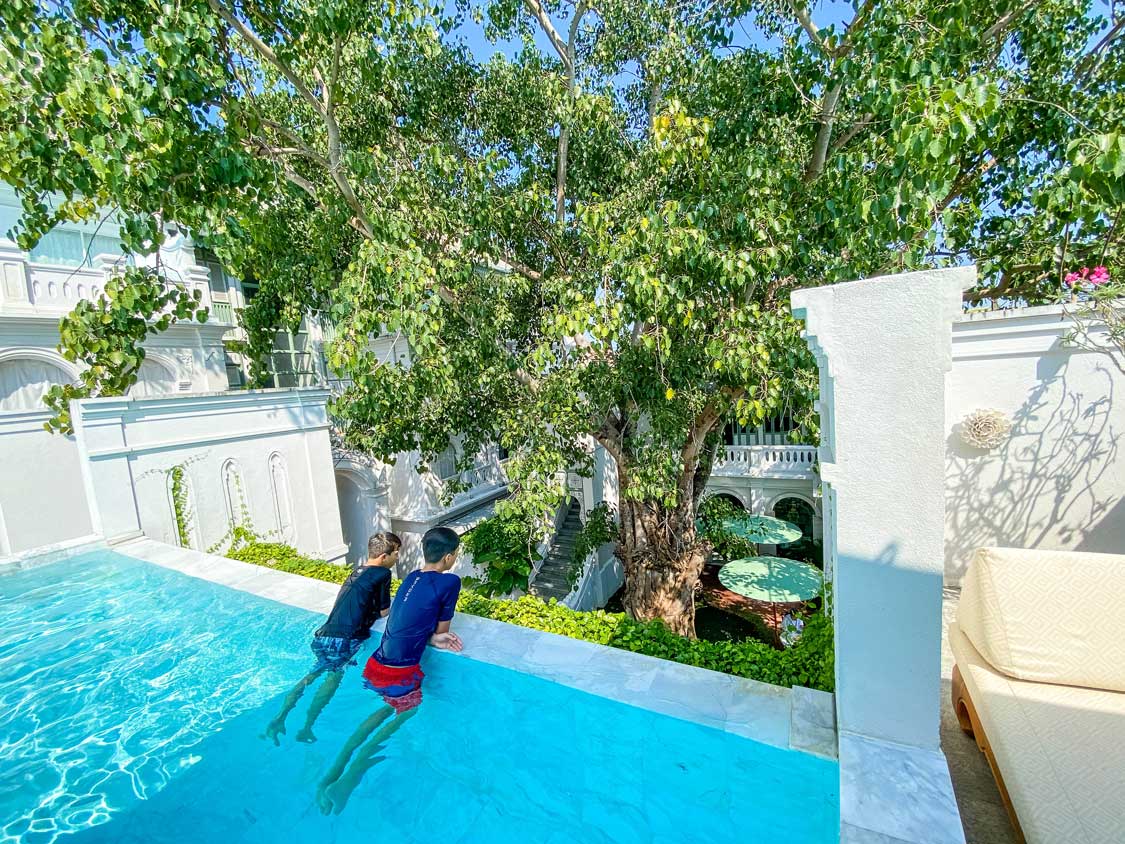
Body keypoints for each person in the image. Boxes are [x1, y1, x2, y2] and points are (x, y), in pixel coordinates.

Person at [315, 527, 464, 815]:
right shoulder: (450, 582)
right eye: (455, 555)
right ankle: (350, 777)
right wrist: (437, 637)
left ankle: (331, 773)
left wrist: (429, 636)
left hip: (376, 665)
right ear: (448, 557)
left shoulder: (411, 578)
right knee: (408, 711)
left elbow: (406, 620)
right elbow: (442, 629)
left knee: (385, 709)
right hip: (399, 672)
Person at [263, 532, 400, 746]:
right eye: (396, 553)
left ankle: (279, 718)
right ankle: (307, 726)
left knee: (311, 675)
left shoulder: (357, 571)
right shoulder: (382, 574)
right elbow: (384, 612)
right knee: (333, 679)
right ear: (384, 556)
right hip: (344, 639)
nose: (397, 558)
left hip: (325, 634)